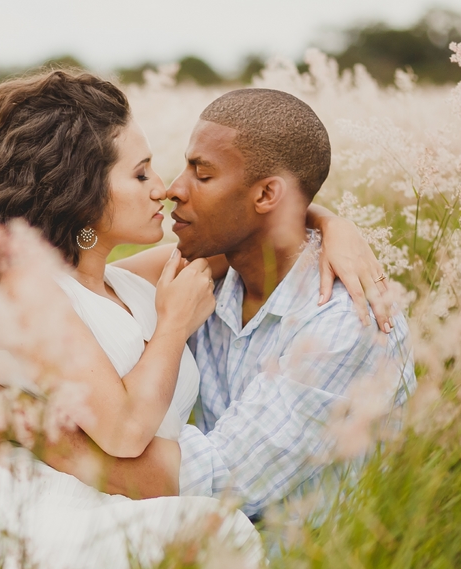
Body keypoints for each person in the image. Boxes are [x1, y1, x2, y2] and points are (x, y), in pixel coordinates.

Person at [0, 70, 387, 569]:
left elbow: (258, 231)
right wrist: (173, 327)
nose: (164, 188)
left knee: (216, 555)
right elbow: (125, 430)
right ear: (81, 191)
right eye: (140, 174)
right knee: (225, 536)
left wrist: (333, 224)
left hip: (126, 509)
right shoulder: (32, 288)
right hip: (46, 515)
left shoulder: (132, 283)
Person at [44, 89, 416, 523]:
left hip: (313, 557)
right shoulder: (200, 283)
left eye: (202, 175)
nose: (172, 189)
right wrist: (327, 220)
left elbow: (221, 479)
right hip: (199, 540)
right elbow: (89, 292)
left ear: (267, 195)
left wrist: (31, 432)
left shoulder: (343, 323)